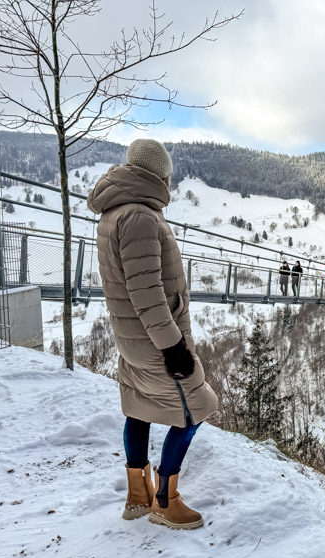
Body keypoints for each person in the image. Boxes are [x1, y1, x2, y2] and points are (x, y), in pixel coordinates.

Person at [87, 139, 218, 531]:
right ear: (158, 174)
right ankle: (165, 500)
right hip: (156, 340)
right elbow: (148, 295)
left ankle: (137, 496)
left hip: (132, 339)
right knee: (197, 407)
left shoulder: (114, 213)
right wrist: (174, 346)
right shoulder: (140, 217)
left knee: (139, 408)